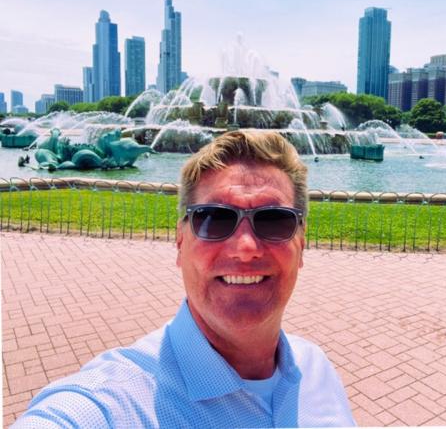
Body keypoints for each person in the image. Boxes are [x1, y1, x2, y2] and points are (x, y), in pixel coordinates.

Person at [13, 130, 355, 428]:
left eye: (274, 220)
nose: (246, 249)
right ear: (180, 242)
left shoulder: (316, 369)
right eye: (214, 219)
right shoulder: (115, 400)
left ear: (301, 244)